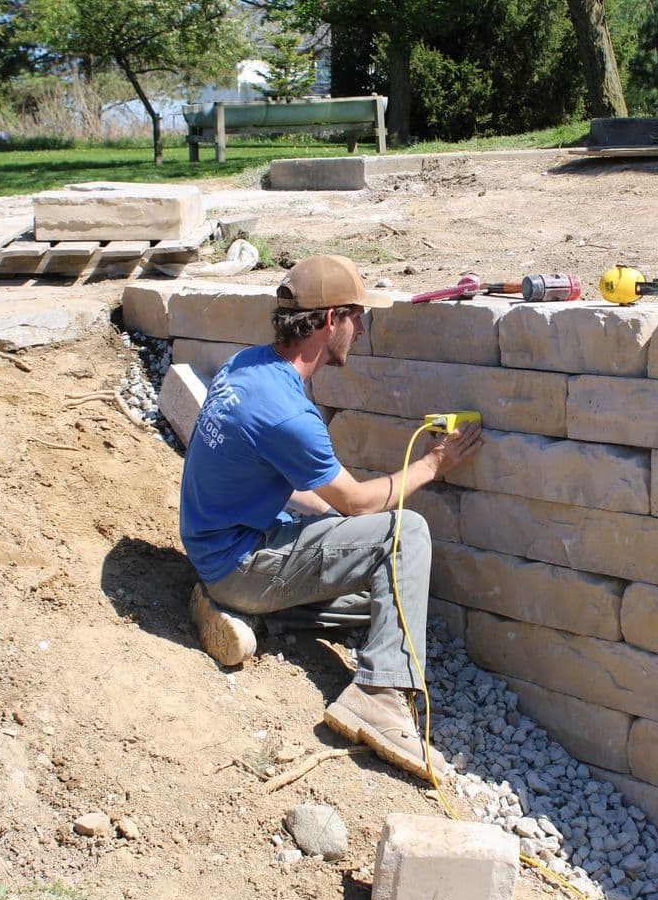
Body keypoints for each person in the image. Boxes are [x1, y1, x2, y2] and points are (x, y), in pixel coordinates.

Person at [178, 253, 483, 780]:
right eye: (356, 316)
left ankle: (245, 616)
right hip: (238, 563)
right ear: (327, 320)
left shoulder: (246, 367)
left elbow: (295, 485)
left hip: (215, 550)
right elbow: (361, 503)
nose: (361, 330)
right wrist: (435, 463)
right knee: (406, 534)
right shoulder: (290, 413)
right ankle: (380, 696)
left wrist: (335, 528)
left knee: (391, 603)